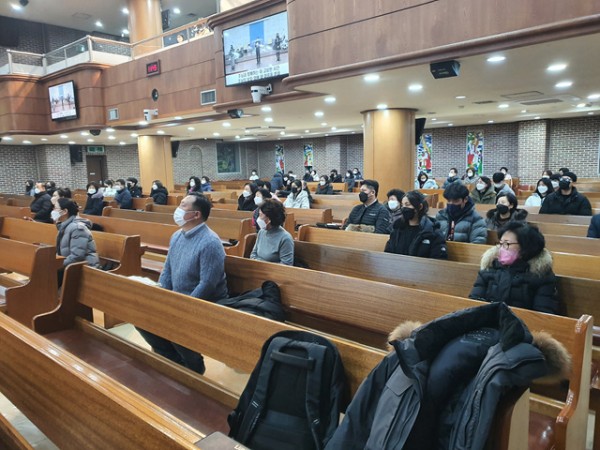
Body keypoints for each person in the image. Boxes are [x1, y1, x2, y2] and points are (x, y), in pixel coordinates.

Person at [137, 193, 228, 375]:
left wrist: (182, 307)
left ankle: (194, 368)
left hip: (205, 302)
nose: (178, 209)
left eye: (183, 206)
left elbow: (207, 284)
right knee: (142, 317)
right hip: (179, 299)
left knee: (174, 324)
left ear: (196, 214)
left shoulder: (210, 242)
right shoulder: (177, 236)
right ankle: (175, 364)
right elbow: (168, 269)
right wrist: (161, 295)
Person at [469, 222, 559, 314]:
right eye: (500, 243)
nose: (501, 249)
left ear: (525, 247)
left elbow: (542, 314)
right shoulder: (490, 267)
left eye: (506, 243)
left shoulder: (541, 275)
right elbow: (475, 302)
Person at [384, 190, 447, 259]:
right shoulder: (398, 228)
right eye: (402, 205)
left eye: (407, 205)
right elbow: (388, 252)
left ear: (420, 207)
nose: (404, 208)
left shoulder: (432, 231)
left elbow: (438, 258)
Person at [54, 198, 100, 285]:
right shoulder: (64, 226)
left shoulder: (77, 228)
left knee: (48, 276)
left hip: (84, 267)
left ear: (64, 211)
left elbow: (77, 256)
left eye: (55, 208)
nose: (53, 211)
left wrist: (57, 265)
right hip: (71, 265)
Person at [250, 199, 294, 265]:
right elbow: (253, 255)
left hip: (275, 271)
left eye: (260, 215)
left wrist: (263, 265)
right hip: (258, 269)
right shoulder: (261, 232)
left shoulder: (285, 238)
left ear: (270, 219)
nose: (258, 219)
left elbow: (286, 264)